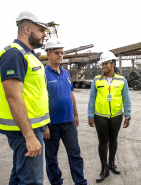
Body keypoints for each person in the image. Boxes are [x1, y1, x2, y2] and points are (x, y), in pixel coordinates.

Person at [0, 11, 50, 185]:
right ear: (27, 29)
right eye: (41, 30)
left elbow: (35, 94)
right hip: (24, 131)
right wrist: (29, 136)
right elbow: (13, 97)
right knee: (32, 181)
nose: (44, 34)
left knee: (19, 177)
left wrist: (43, 126)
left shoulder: (29, 55)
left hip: (33, 127)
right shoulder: (14, 54)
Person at [43, 38, 87, 185]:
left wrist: (75, 114)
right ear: (48, 54)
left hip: (69, 123)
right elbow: (40, 100)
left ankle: (80, 182)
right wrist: (44, 125)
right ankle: (56, 182)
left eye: (62, 53)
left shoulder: (66, 74)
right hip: (51, 125)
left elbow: (71, 94)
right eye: (57, 52)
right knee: (51, 158)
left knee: (75, 155)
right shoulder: (42, 75)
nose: (60, 55)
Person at [88, 51, 131, 183]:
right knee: (103, 141)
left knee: (113, 140)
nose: (103, 66)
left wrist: (128, 114)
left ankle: (112, 164)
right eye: (102, 64)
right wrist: (90, 115)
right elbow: (92, 99)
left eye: (106, 63)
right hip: (100, 115)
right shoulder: (97, 80)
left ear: (113, 64)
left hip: (117, 116)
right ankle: (104, 168)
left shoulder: (122, 80)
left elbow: (126, 99)